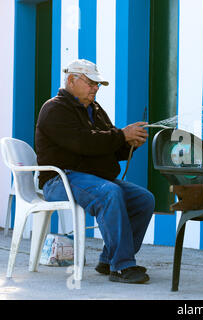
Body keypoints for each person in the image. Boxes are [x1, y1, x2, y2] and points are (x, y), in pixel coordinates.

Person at [35, 59, 155, 284]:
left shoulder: (96, 110)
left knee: (144, 200)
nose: (95, 89)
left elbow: (109, 146)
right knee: (110, 193)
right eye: (91, 83)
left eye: (97, 85)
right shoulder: (54, 109)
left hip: (91, 179)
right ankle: (122, 266)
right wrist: (121, 136)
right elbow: (83, 143)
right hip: (60, 179)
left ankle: (109, 259)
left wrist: (129, 143)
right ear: (72, 80)